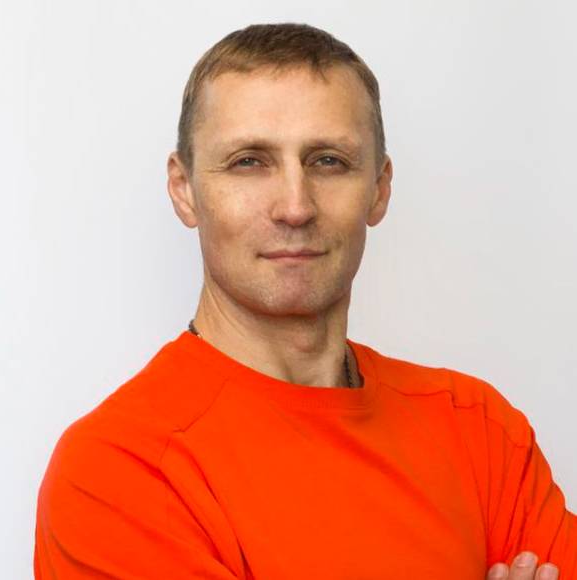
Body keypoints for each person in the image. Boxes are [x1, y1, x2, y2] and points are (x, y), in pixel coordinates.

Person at [34, 23, 575, 579]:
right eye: (249, 161)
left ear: (379, 188)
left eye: (328, 161)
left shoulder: (479, 430)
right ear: (185, 189)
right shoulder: (118, 471)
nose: (295, 207)